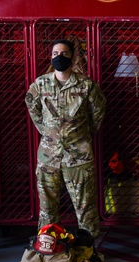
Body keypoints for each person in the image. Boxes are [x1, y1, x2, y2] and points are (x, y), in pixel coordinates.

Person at [25, 39, 106, 240]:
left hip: (79, 157)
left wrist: (82, 135)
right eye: (54, 53)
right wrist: (46, 131)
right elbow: (32, 108)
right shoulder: (40, 84)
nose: (58, 57)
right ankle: (49, 248)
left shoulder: (87, 86)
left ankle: (89, 251)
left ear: (73, 57)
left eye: (64, 53)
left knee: (85, 207)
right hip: (48, 157)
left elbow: (98, 113)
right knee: (47, 208)